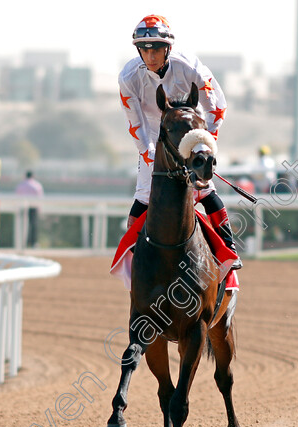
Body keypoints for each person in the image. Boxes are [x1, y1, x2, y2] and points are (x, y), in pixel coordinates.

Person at [119, 14, 241, 269]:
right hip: (155, 137)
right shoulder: (128, 77)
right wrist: (151, 157)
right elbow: (136, 125)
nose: (150, 57)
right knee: (143, 194)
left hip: (192, 132)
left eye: (157, 50)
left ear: (168, 49)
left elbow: (216, 108)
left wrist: (202, 146)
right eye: (144, 50)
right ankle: (131, 255)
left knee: (205, 188)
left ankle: (229, 249)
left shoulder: (190, 67)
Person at [15, 170, 44, 248]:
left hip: (22, 207)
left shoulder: (20, 185)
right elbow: (40, 198)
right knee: (33, 226)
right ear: (33, 176)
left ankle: (22, 243)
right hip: (33, 207)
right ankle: (34, 243)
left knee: (21, 225)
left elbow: (17, 197)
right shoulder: (37, 185)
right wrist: (39, 208)